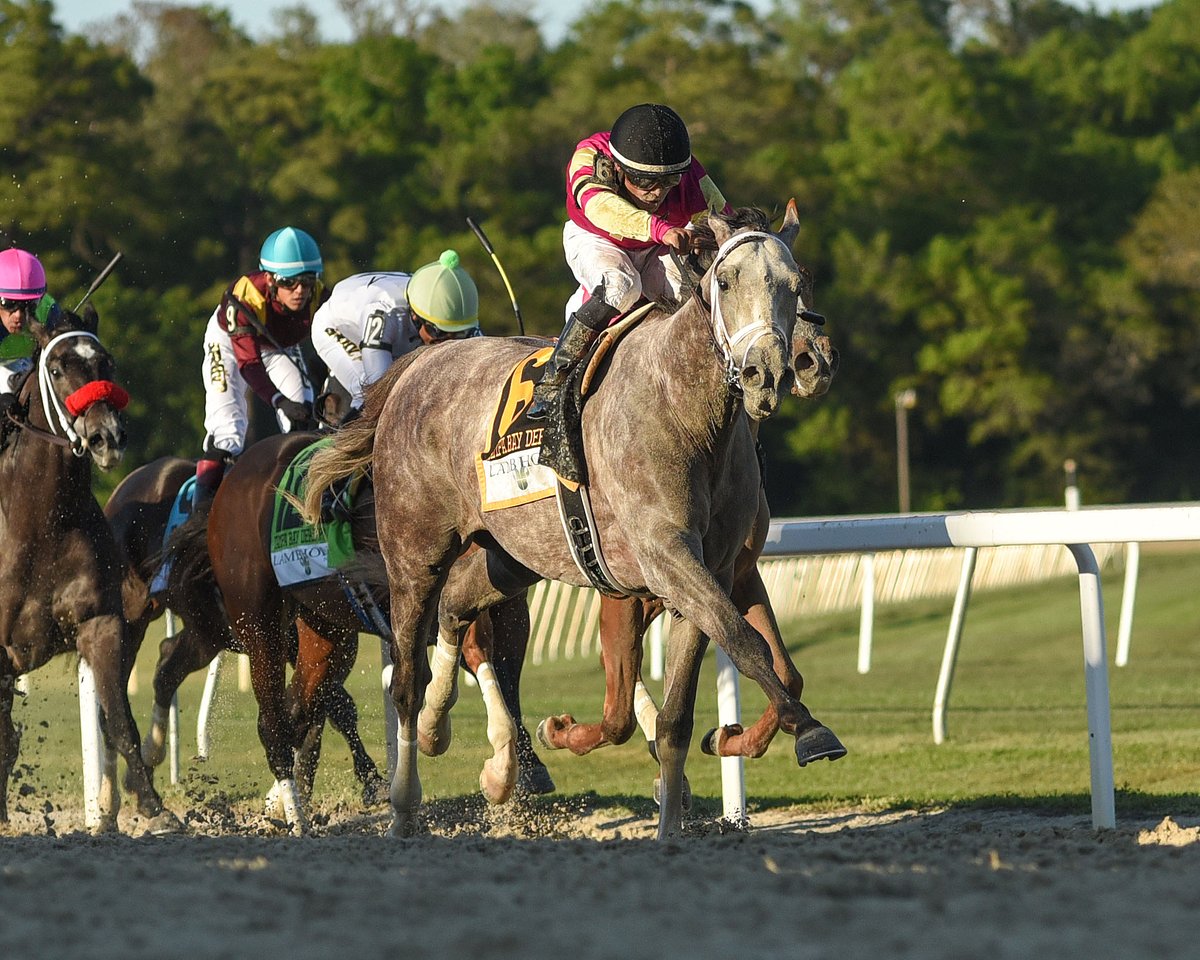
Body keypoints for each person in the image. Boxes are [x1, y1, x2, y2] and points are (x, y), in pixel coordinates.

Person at [528, 102, 730, 419]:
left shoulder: (691, 173)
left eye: (669, 181)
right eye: (646, 182)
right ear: (618, 169)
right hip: (596, 238)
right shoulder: (589, 156)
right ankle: (555, 379)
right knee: (622, 285)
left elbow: (724, 222)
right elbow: (601, 208)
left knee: (690, 292)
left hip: (653, 246)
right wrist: (661, 229)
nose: (657, 193)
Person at [194, 226, 328, 503]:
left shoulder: (319, 296)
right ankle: (199, 514)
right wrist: (278, 400)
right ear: (269, 279)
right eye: (289, 282)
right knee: (228, 434)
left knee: (301, 418)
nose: (300, 291)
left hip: (277, 345)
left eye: (307, 281)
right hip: (230, 344)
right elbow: (249, 364)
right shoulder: (245, 297)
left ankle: (297, 498)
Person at [310, 250, 481, 420]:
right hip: (337, 328)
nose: (446, 343)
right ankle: (345, 434)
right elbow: (378, 392)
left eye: (458, 334)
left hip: (390, 334)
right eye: (439, 333)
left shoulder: (460, 318)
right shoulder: (384, 314)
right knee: (370, 398)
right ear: (416, 316)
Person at [0, 247, 63, 421]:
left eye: (29, 305)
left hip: (28, 366)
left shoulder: (49, 312)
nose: (19, 315)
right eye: (8, 303)